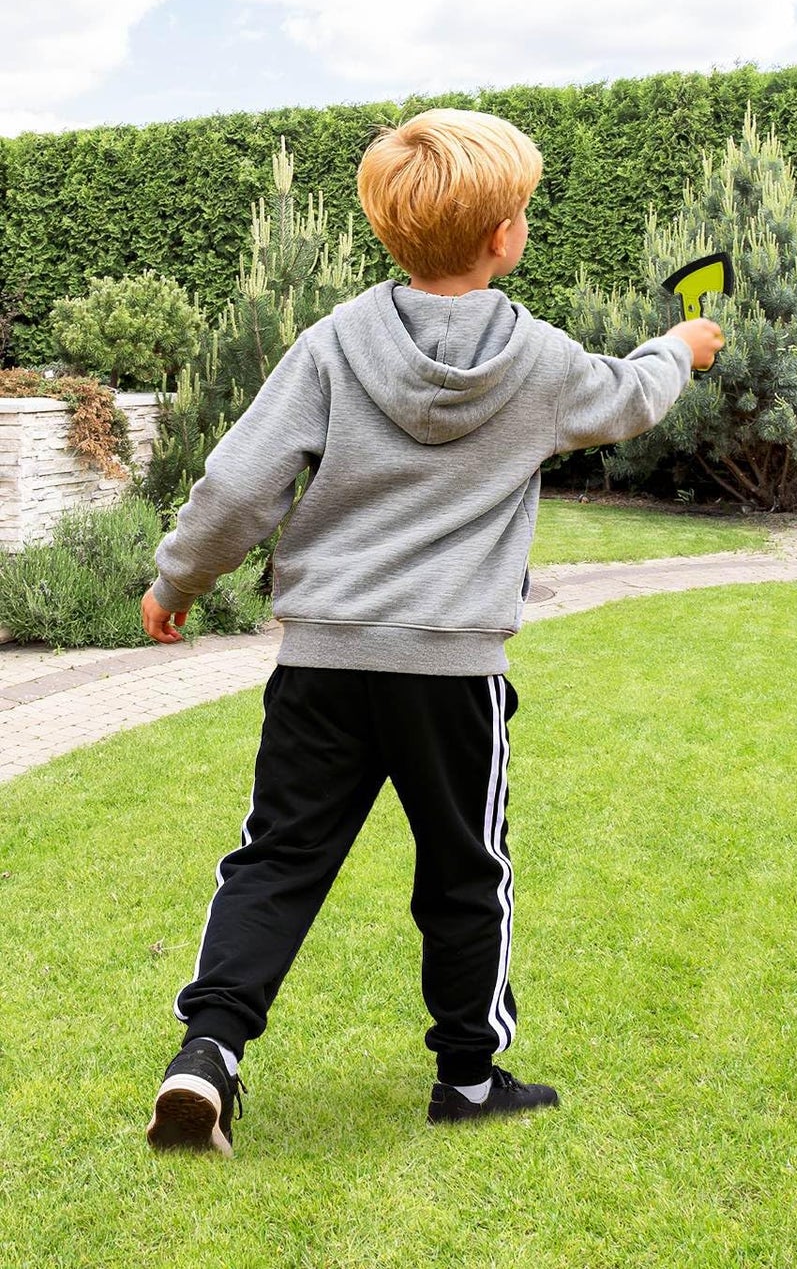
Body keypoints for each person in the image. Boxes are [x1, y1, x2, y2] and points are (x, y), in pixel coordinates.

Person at [140, 109, 724, 1155]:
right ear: (505, 235)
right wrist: (680, 346)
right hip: (451, 671)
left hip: (323, 662)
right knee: (465, 871)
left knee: (276, 859)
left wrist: (180, 577)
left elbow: (236, 485)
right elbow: (633, 396)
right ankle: (467, 1078)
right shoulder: (541, 362)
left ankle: (208, 1055)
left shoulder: (333, 344)